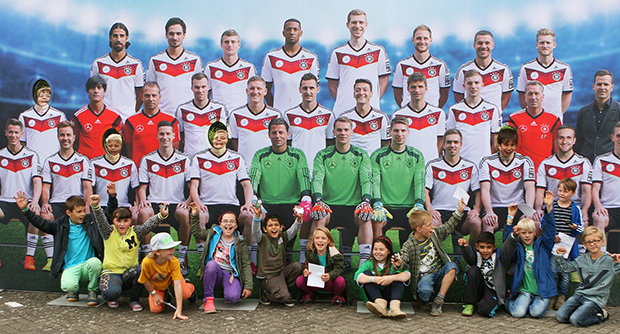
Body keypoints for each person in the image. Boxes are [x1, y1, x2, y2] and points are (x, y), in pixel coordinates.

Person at [16, 192, 115, 305]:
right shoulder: (59, 225)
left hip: (88, 265)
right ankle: (73, 291)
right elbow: (40, 223)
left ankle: (92, 290)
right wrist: (25, 209)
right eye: (79, 212)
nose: (82, 214)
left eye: (83, 210)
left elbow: (107, 215)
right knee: (68, 286)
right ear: (69, 212)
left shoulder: (91, 221)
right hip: (70, 267)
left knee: (95, 263)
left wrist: (112, 197)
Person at [311, 116, 373, 267]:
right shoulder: (323, 155)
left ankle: (363, 265)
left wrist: (366, 201)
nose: (343, 133)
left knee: (365, 217)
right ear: (333, 132)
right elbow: (317, 179)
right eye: (339, 130)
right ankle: (316, 264)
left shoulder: (361, 155)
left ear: (352, 132)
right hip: (329, 206)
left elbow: (366, 180)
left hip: (353, 206)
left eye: (346, 130)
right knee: (319, 217)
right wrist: (318, 200)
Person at [188, 122, 254, 263]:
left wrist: (248, 203)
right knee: (199, 216)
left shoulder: (237, 158)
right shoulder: (199, 158)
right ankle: (203, 258)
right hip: (208, 206)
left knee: (249, 216)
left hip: (231, 205)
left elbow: (247, 185)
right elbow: (193, 186)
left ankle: (247, 259)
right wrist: (199, 203)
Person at [92, 185, 165, 311]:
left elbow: (148, 225)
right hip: (111, 273)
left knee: (142, 268)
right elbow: (100, 220)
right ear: (113, 221)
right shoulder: (108, 231)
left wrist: (161, 215)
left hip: (129, 273)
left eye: (125, 221)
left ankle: (134, 300)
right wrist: (96, 206)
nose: (122, 224)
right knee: (111, 293)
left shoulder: (136, 232)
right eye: (118, 221)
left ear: (130, 221)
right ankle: (111, 296)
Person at [248, 118, 312, 262]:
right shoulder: (260, 154)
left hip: (291, 204)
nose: (278, 136)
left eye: (281, 132)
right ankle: (253, 260)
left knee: (305, 217)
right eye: (274, 132)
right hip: (267, 204)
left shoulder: (297, 154)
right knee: (254, 216)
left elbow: (303, 177)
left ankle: (303, 257)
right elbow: (254, 179)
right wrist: (255, 199)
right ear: (269, 134)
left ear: (288, 134)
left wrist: (305, 198)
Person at [137, 121, 192, 275]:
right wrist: (143, 200)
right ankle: (147, 258)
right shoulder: (147, 159)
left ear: (174, 136)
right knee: (143, 213)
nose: (165, 137)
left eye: (168, 134)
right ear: (157, 135)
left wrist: (187, 201)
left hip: (175, 204)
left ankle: (181, 260)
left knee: (185, 214)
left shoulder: (185, 159)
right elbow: (142, 188)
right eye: (162, 134)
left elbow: (192, 186)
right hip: (155, 203)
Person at [397, 199, 465, 316]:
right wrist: (399, 263)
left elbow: (448, 227)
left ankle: (439, 300)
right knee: (424, 291)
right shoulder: (409, 244)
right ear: (419, 229)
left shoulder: (434, 234)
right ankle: (423, 300)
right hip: (424, 276)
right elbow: (404, 260)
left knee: (452, 267)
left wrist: (459, 211)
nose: (432, 227)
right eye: (429, 225)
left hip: (439, 272)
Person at [370, 116, 425, 246]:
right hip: (386, 207)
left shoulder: (416, 155)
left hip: (409, 208)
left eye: (403, 130)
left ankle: (413, 262)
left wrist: (419, 203)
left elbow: (419, 181)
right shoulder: (378, 155)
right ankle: (379, 261)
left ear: (408, 132)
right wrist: (377, 203)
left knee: (419, 225)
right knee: (377, 221)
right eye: (396, 130)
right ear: (389, 132)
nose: (399, 134)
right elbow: (375, 181)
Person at [425, 129, 482, 255]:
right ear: (443, 144)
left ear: (461, 145)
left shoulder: (470, 166)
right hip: (439, 211)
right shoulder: (433, 165)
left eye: (456, 142)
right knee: (431, 224)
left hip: (462, 211)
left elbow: (478, 192)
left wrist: (476, 210)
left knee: (477, 223)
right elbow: (425, 191)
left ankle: (471, 256)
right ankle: (435, 259)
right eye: (449, 142)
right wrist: (429, 208)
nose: (452, 145)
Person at [189, 203, 252, 313]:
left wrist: (249, 286)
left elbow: (246, 264)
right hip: (214, 272)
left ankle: (229, 293)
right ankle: (208, 299)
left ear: (236, 225)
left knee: (233, 298)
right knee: (212, 264)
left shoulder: (241, 242)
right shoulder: (213, 233)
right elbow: (197, 232)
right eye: (225, 221)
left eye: (232, 221)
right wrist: (194, 215)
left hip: (229, 275)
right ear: (220, 224)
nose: (228, 224)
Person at [326, 9, 390, 116]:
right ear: (347, 25)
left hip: (370, 112)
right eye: (354, 22)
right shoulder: (337, 52)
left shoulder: (378, 51)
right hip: (343, 112)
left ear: (366, 25)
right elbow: (332, 85)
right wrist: (344, 101)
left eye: (361, 22)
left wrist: (370, 101)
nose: (357, 26)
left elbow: (384, 82)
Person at [504, 192, 557, 318]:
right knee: (518, 313)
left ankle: (532, 305)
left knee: (535, 313)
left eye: (530, 232)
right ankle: (508, 301)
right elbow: (507, 244)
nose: (527, 235)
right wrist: (510, 218)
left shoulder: (543, 245)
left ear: (535, 233)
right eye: (523, 233)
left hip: (541, 292)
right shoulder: (518, 248)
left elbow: (550, 231)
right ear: (519, 234)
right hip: (524, 291)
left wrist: (548, 208)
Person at [554, 227, 620, 327]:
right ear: (584, 245)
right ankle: (582, 310)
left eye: (596, 241)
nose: (593, 244)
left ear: (602, 241)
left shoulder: (611, 260)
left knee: (576, 320)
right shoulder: (581, 259)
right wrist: (559, 256)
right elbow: (564, 269)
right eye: (589, 242)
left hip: (595, 299)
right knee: (560, 316)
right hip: (579, 295)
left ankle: (601, 315)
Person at [0, 119, 43, 270]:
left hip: (25, 201)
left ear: (21, 134)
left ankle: (29, 258)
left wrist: (36, 201)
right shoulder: (0, 155)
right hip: (5, 201)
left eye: (16, 132)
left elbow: (37, 182)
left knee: (35, 216)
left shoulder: (31, 155)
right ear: (6, 133)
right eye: (10, 132)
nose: (13, 135)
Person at [479, 126, 535, 232]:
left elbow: (530, 189)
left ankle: (528, 249)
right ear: (499, 145)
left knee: (532, 224)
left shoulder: (525, 161)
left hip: (518, 206)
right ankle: (487, 248)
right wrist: (489, 211)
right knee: (488, 224)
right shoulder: (487, 162)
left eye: (512, 145)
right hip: (496, 206)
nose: (509, 148)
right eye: (506, 144)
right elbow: (485, 190)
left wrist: (529, 211)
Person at [535, 124, 592, 222]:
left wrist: (585, 210)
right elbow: (540, 191)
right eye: (561, 138)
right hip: (552, 207)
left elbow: (586, 192)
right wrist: (538, 209)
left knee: (584, 224)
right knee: (536, 223)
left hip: (575, 208)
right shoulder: (546, 163)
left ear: (574, 140)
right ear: (556, 140)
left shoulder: (583, 162)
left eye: (568, 138)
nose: (564, 141)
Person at [146, 17, 202, 115]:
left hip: (188, 116)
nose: (175, 37)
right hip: (163, 118)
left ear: (184, 35)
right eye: (171, 33)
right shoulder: (155, 61)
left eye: (178, 34)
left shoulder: (194, 60)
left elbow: (200, 90)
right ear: (166, 35)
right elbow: (149, 91)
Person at [262, 19, 320, 112]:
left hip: (303, 114)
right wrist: (274, 109)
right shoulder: (271, 56)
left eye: (295, 29)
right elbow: (265, 89)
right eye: (288, 29)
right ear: (283, 33)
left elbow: (314, 90)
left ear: (300, 33)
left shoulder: (311, 58)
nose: (292, 32)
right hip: (280, 115)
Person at [252, 203, 304, 306]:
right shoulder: (262, 239)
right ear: (265, 229)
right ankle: (266, 292)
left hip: (281, 273)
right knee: (285, 298)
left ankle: (283, 289)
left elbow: (294, 230)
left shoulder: (283, 237)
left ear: (281, 227)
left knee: (297, 266)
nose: (273, 228)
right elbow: (255, 231)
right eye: (270, 225)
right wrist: (257, 217)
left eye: (276, 225)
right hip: (268, 276)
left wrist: (298, 219)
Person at [41, 121, 94, 223]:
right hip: (57, 203)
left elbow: (87, 187)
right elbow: (46, 187)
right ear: (58, 137)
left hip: (77, 203)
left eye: (68, 135)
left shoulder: (83, 160)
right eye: (62, 135)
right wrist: (44, 203)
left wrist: (87, 206)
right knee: (45, 216)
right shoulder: (50, 161)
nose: (65, 138)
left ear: (74, 137)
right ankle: (51, 240)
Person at [447, 69, 502, 165]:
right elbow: (449, 140)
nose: (473, 86)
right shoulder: (454, 110)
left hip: (484, 165)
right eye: (469, 83)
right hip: (461, 165)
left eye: (476, 83)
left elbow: (495, 142)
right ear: (464, 86)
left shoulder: (492, 109)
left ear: (482, 85)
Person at [91, 22, 145, 120]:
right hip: (104, 119)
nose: (118, 39)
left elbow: (140, 94)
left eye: (122, 36)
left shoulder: (136, 65)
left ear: (126, 38)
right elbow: (93, 92)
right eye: (115, 36)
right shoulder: (98, 64)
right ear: (110, 38)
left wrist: (132, 114)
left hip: (127, 120)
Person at [544, 178, 584, 310]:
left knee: (565, 275)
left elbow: (581, 229)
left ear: (572, 193)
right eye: (560, 190)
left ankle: (562, 296)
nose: (562, 193)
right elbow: (543, 223)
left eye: (565, 191)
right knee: (553, 271)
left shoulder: (575, 208)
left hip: (567, 247)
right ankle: (553, 295)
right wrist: (552, 235)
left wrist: (575, 227)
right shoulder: (552, 205)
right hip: (553, 246)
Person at [517, 28, 572, 121]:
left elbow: (567, 96)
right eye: (542, 43)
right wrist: (533, 114)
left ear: (554, 45)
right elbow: (522, 96)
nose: (545, 46)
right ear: (536, 45)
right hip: (533, 121)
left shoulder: (564, 69)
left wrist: (555, 115)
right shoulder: (526, 68)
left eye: (548, 43)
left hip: (555, 121)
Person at [137, 232, 196, 319]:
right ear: (157, 252)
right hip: (158, 286)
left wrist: (179, 310)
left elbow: (177, 284)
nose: (173, 250)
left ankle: (189, 286)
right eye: (169, 248)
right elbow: (145, 280)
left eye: (173, 247)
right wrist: (154, 294)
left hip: (173, 280)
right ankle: (165, 294)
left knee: (185, 294)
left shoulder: (174, 261)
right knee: (155, 309)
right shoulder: (147, 262)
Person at [284, 73, 335, 172]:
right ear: (300, 90)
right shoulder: (289, 115)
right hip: (296, 170)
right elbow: (287, 145)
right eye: (305, 88)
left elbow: (330, 145)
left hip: (319, 171)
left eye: (311, 88)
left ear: (318, 89)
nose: (308, 92)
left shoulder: (328, 115)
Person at [453, 30, 513, 111]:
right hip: (470, 119)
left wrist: (495, 112)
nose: (483, 46)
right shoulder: (463, 70)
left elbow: (506, 96)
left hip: (493, 120)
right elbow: (458, 96)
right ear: (474, 46)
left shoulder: (503, 70)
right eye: (480, 43)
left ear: (492, 46)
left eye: (487, 43)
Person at [508, 80, 561, 171]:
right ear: (525, 97)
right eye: (530, 94)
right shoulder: (514, 119)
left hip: (545, 171)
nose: (533, 97)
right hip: (521, 172)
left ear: (542, 96)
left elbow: (558, 150)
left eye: (537, 93)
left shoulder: (554, 119)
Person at [392, 72, 445, 163]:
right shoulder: (398, 115)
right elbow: (394, 142)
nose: (417, 90)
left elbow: (440, 140)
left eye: (420, 87)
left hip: (430, 164)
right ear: (408, 89)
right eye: (413, 87)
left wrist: (434, 160)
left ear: (426, 89)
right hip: (407, 164)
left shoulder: (438, 113)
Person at [123, 82, 180, 166]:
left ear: (159, 97)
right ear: (142, 97)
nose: (150, 99)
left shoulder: (171, 121)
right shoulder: (131, 121)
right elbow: (128, 150)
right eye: (147, 95)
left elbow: (175, 147)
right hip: (140, 172)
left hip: (163, 170)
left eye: (154, 95)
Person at [393, 24, 450, 108]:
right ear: (413, 40)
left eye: (425, 38)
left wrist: (434, 111)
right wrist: (406, 110)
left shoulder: (440, 65)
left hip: (431, 116)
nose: (422, 41)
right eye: (419, 38)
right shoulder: (402, 65)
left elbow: (444, 95)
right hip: (409, 116)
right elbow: (397, 94)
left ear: (431, 40)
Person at [228, 76, 282, 164]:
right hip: (245, 169)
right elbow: (234, 141)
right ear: (247, 91)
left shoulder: (275, 115)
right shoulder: (236, 115)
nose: (255, 92)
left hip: (268, 167)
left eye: (259, 88)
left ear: (265, 91)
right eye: (252, 88)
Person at [356, 236, 411, 318]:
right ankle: (380, 305)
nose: (378, 252)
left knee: (397, 276)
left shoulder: (394, 264)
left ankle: (394, 308)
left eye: (381, 249)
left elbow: (407, 275)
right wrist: (375, 279)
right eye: (375, 249)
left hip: (390, 297)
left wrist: (391, 278)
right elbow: (358, 276)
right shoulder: (368, 263)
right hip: (373, 299)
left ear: (388, 251)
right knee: (366, 274)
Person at [176, 73, 228, 157]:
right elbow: (181, 137)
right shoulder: (182, 110)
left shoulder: (219, 109)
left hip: (212, 159)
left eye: (203, 87)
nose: (200, 90)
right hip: (190, 159)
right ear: (192, 88)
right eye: (197, 87)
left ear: (208, 87)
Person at [204, 29, 257, 112]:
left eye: (233, 42)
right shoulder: (211, 67)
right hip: (218, 116)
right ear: (221, 44)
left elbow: (254, 95)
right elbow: (204, 95)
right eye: (226, 42)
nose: (230, 45)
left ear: (239, 44)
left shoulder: (248, 68)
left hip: (240, 116)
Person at [458, 231, 508, 317]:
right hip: (479, 288)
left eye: (489, 247)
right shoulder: (476, 256)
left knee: (485, 311)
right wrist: (465, 247)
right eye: (482, 247)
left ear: (494, 246)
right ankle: (469, 304)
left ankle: (486, 303)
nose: (485, 251)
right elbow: (468, 257)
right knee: (473, 270)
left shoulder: (500, 257)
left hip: (492, 291)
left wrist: (514, 236)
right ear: (477, 246)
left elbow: (509, 246)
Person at [72, 75, 122, 160]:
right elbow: (73, 143)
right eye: (92, 88)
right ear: (88, 91)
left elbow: (118, 144)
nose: (96, 91)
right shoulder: (78, 116)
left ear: (104, 91)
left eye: (99, 88)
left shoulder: (115, 117)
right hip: (85, 164)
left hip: (107, 164)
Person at [575, 70, 620, 163]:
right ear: (593, 87)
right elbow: (579, 140)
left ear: (612, 87)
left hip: (611, 166)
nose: (602, 87)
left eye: (606, 84)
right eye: (599, 84)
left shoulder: (619, 110)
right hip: (587, 164)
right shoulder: (583, 112)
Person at [90, 129, 139, 215]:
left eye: (116, 145)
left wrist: (136, 205)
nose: (113, 148)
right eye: (110, 145)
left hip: (123, 206)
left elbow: (136, 188)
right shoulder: (94, 163)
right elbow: (89, 188)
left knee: (135, 216)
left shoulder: (129, 164)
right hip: (102, 206)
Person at [296, 227, 346, 305]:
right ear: (313, 240)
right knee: (299, 280)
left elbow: (339, 269)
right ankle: (312, 294)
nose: (320, 240)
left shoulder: (334, 252)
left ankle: (337, 296)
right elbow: (306, 266)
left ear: (328, 240)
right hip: (315, 282)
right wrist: (306, 272)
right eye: (317, 238)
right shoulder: (310, 253)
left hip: (329, 282)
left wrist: (330, 275)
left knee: (340, 281)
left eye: (323, 238)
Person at [18, 79, 67, 159]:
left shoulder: (59, 116)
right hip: (32, 163)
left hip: (54, 163)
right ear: (35, 95)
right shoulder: (24, 116)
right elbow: (21, 143)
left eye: (47, 95)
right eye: (41, 95)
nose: (44, 98)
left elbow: (65, 141)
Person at [340, 78, 390, 155]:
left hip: (372, 164)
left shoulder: (381, 117)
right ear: (354, 94)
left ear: (371, 93)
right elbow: (339, 144)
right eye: (358, 90)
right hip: (351, 164)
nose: (361, 92)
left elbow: (386, 145)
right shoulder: (345, 118)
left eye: (365, 90)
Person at [591, 122, 620, 247]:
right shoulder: (602, 160)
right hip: (609, 210)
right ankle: (601, 261)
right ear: (612, 137)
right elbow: (595, 189)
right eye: (618, 136)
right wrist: (598, 206)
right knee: (598, 219)